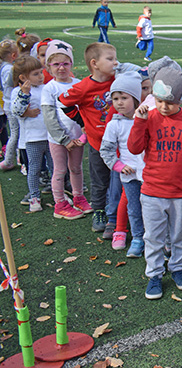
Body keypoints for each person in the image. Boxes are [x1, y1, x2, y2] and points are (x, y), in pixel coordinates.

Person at [127, 57, 182, 300]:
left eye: (170, 103)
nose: (163, 106)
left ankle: (178, 268)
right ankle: (154, 274)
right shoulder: (149, 116)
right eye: (159, 100)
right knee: (152, 236)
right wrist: (139, 122)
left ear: (181, 99)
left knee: (179, 234)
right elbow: (133, 148)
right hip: (152, 191)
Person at [58, 42, 118, 233]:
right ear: (95, 63)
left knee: (121, 180)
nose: (115, 63)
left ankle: (119, 214)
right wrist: (83, 122)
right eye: (110, 59)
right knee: (100, 180)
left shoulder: (118, 80)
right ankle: (99, 211)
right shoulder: (83, 87)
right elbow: (63, 102)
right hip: (97, 144)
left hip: (121, 143)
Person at [40, 40, 91, 220]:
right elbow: (49, 117)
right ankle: (60, 203)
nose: (61, 68)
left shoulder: (79, 83)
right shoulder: (49, 88)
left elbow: (85, 110)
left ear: (71, 64)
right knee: (60, 171)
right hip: (59, 140)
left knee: (76, 168)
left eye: (65, 63)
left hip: (78, 138)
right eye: (56, 64)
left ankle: (78, 197)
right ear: (48, 67)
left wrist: (85, 132)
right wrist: (64, 139)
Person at [100, 71, 146, 252]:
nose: (119, 102)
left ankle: (154, 238)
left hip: (149, 174)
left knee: (152, 209)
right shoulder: (114, 124)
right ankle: (137, 239)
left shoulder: (146, 118)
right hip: (130, 175)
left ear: (135, 98)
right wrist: (118, 166)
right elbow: (106, 150)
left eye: (124, 97)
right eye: (115, 98)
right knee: (133, 209)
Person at [11, 56, 52, 213]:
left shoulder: (45, 88)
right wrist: (25, 96)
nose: (41, 76)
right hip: (33, 139)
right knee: (34, 169)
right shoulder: (18, 91)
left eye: (41, 72)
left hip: (49, 137)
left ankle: (58, 194)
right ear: (23, 77)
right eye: (36, 74)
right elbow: (16, 111)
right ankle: (34, 196)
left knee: (55, 168)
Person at [0, 39, 19, 171]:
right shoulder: (8, 68)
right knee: (15, 133)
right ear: (13, 55)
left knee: (15, 132)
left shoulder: (4, 67)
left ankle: (12, 158)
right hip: (10, 104)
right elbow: (8, 83)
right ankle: (9, 160)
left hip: (8, 103)